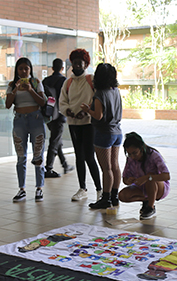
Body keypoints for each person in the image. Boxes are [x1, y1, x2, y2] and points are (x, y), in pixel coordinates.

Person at [59, 49, 102, 202]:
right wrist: (68, 111)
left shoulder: (91, 80)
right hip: (73, 123)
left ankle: (99, 190)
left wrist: (87, 112)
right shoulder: (68, 83)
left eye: (80, 62)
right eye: (75, 62)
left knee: (90, 157)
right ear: (71, 63)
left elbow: (97, 99)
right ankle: (82, 188)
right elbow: (62, 102)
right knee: (79, 156)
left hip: (89, 123)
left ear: (86, 64)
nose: (77, 65)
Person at [81, 63, 123, 209]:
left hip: (104, 133)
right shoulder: (116, 91)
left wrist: (88, 110)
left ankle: (105, 198)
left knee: (106, 168)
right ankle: (114, 196)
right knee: (115, 165)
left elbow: (98, 116)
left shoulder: (100, 94)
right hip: (117, 132)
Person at [6, 57, 47, 203]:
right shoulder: (12, 84)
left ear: (30, 70)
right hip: (19, 120)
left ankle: (39, 188)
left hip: (36, 119)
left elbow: (42, 102)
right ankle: (22, 189)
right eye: (20, 68)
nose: (23, 71)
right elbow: (7, 104)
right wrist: (15, 89)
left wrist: (30, 90)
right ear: (16, 70)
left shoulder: (36, 83)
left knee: (38, 156)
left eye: (26, 68)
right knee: (21, 156)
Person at [118, 132, 170, 220]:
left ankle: (150, 207)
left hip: (159, 187)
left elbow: (166, 176)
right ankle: (147, 200)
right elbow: (125, 179)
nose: (132, 157)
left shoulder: (153, 155)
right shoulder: (130, 159)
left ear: (141, 148)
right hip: (141, 188)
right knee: (122, 195)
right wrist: (129, 180)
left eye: (135, 153)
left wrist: (147, 177)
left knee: (150, 178)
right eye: (129, 154)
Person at [42, 58, 73, 178]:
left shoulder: (46, 80)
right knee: (54, 141)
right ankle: (48, 168)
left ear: (52, 68)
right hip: (59, 115)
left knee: (56, 139)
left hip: (49, 115)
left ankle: (65, 164)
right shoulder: (64, 81)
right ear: (62, 68)